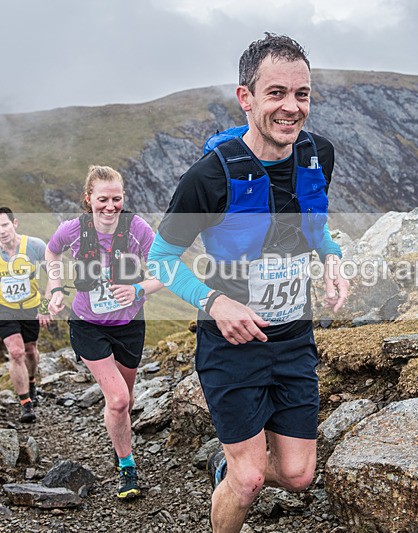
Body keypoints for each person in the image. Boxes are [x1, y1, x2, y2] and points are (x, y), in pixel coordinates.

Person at [148, 33, 348, 532]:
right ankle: (237, 474)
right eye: (276, 93)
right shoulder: (209, 177)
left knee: (299, 476)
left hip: (293, 336)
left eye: (301, 94)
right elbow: (162, 257)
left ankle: (231, 466)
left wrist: (332, 259)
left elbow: (316, 226)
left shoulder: (318, 155)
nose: (292, 107)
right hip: (231, 341)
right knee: (251, 479)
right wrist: (214, 302)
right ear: (247, 98)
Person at [45, 165, 162, 500]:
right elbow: (51, 252)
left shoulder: (137, 228)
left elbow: (164, 270)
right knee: (119, 399)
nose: (110, 206)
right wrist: (55, 289)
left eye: (116, 199)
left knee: (125, 397)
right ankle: (127, 467)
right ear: (88, 199)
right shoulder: (73, 230)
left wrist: (139, 289)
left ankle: (118, 440)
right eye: (102, 199)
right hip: (88, 324)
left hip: (129, 326)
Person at [0, 207, 50, 424]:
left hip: (30, 306)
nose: (2, 230)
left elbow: (53, 275)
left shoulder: (35, 246)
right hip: (2, 306)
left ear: (15, 223)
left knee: (30, 350)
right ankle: (26, 403)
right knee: (16, 352)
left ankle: (31, 380)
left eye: (5, 224)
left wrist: (44, 306)